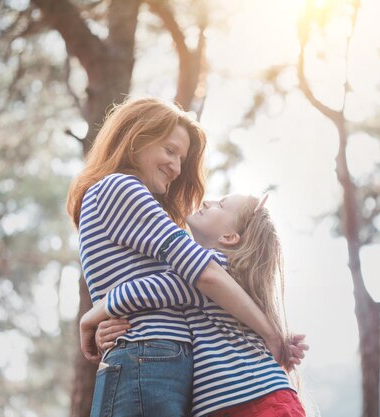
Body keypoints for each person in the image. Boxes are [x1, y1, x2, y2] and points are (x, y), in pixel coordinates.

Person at [66, 97, 291, 417]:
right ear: (135, 139)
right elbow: (203, 275)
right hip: (146, 355)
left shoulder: (123, 198)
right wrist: (271, 333)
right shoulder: (119, 188)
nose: (177, 166)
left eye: (182, 158)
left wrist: (99, 312)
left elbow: (181, 285)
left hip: (151, 357)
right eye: (170, 151)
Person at [82, 194, 307, 417]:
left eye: (221, 205)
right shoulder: (225, 277)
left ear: (229, 237)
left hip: (259, 403)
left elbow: (142, 291)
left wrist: (90, 318)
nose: (208, 201)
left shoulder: (210, 270)